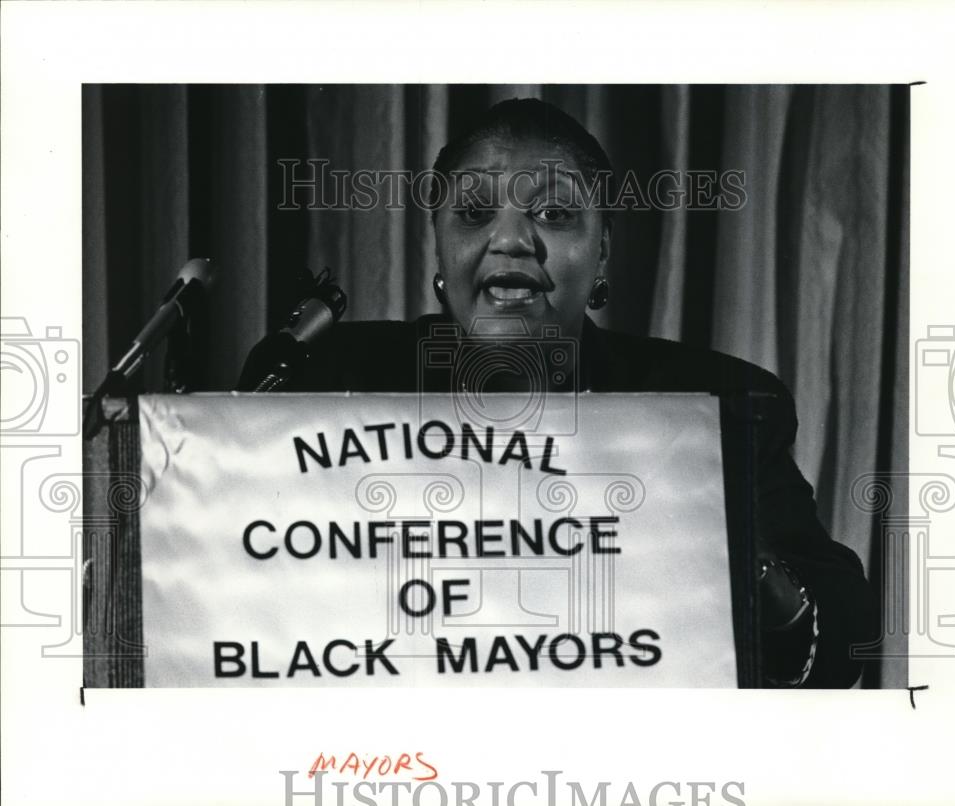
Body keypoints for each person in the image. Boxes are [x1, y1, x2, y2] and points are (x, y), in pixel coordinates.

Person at [239, 98, 878, 688]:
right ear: (438, 244)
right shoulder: (328, 379)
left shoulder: (716, 404)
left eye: (554, 213)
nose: (512, 239)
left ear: (601, 255)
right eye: (474, 212)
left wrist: (734, 544)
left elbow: (841, 639)